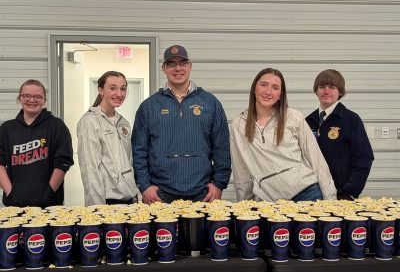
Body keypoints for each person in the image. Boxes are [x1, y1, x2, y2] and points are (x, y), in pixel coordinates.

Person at [132, 44, 231, 204]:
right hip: (159, 195)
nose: (178, 68)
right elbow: (139, 151)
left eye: (183, 63)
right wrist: (144, 186)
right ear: (164, 68)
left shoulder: (210, 103)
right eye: (172, 64)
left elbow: (222, 147)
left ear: (190, 66)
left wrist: (219, 184)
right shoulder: (149, 106)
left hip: (202, 193)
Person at [230, 68, 336, 202]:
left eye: (275, 88)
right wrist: (245, 204)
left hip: (307, 193)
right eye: (264, 85)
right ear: (254, 88)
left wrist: (330, 200)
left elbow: (316, 160)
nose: (268, 92)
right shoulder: (239, 124)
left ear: (280, 94)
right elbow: (241, 171)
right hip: (268, 201)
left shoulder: (293, 117)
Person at [0, 79, 73, 208]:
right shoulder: (6, 128)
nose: (32, 100)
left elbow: (63, 162)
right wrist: (10, 193)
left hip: (50, 207)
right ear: (19, 99)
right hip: (14, 207)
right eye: (26, 96)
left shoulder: (57, 126)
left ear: (44, 100)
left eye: (38, 96)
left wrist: (49, 192)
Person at [305, 69, 374, 200]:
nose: (326, 91)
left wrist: (350, 191)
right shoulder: (308, 121)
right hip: (312, 194)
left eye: (332, 87)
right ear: (316, 91)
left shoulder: (351, 120)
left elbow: (364, 158)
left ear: (340, 92)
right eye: (322, 87)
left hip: (341, 195)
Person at [77, 71, 137, 206]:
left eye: (123, 89)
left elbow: (128, 163)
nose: (119, 94)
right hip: (107, 202)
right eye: (112, 88)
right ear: (101, 90)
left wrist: (135, 196)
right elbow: (90, 170)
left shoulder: (123, 122)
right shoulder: (90, 121)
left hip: (129, 199)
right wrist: (97, 208)